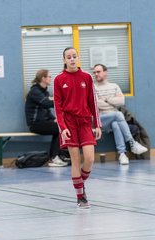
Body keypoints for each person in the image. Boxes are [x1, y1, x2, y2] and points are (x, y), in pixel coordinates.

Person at [53, 47, 102, 208]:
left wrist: (98, 124)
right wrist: (62, 127)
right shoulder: (59, 79)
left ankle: (79, 185)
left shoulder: (87, 77)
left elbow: (92, 102)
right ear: (64, 60)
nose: (72, 59)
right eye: (69, 57)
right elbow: (58, 107)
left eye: (74, 56)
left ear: (78, 58)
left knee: (89, 159)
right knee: (75, 160)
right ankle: (80, 197)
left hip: (85, 122)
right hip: (69, 124)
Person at [93, 64, 148, 165]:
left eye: (98, 72)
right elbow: (96, 104)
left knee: (115, 123)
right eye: (94, 72)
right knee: (118, 115)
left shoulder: (114, 86)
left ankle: (122, 154)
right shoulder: (93, 88)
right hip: (100, 119)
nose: (96, 74)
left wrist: (106, 99)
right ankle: (132, 143)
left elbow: (121, 101)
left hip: (114, 118)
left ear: (105, 72)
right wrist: (112, 101)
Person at [25, 69, 69, 167]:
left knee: (62, 127)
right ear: (43, 78)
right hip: (35, 124)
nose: (50, 78)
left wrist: (54, 118)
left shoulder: (45, 92)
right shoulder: (34, 91)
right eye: (49, 76)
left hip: (44, 122)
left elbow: (46, 110)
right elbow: (46, 103)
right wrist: (62, 102)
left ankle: (58, 155)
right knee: (60, 129)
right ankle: (54, 158)